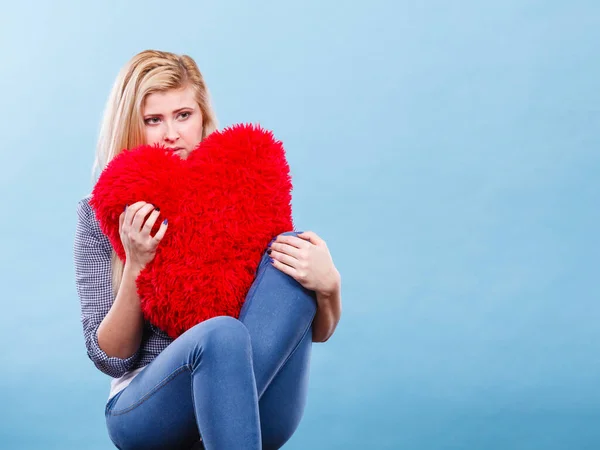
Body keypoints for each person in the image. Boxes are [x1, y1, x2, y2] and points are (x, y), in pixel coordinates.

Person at [73, 49, 342, 450]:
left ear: (202, 117)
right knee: (221, 334)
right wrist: (136, 266)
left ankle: (224, 423)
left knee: (289, 257)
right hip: (147, 410)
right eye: (153, 120)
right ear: (131, 124)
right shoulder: (101, 211)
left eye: (184, 115)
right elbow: (111, 359)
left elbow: (304, 329)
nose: (172, 133)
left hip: (256, 401)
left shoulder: (242, 190)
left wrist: (328, 285)